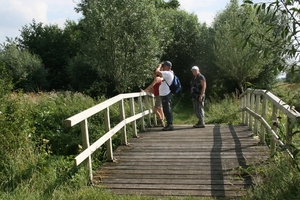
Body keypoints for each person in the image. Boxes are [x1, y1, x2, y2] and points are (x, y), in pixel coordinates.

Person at [155, 61, 174, 131]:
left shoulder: (168, 73)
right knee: (166, 109)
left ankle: (170, 124)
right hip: (165, 94)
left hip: (166, 94)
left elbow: (157, 72)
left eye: (164, 66)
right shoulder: (168, 73)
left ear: (167, 67)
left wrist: (159, 66)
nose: (162, 67)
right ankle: (169, 124)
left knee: (167, 109)